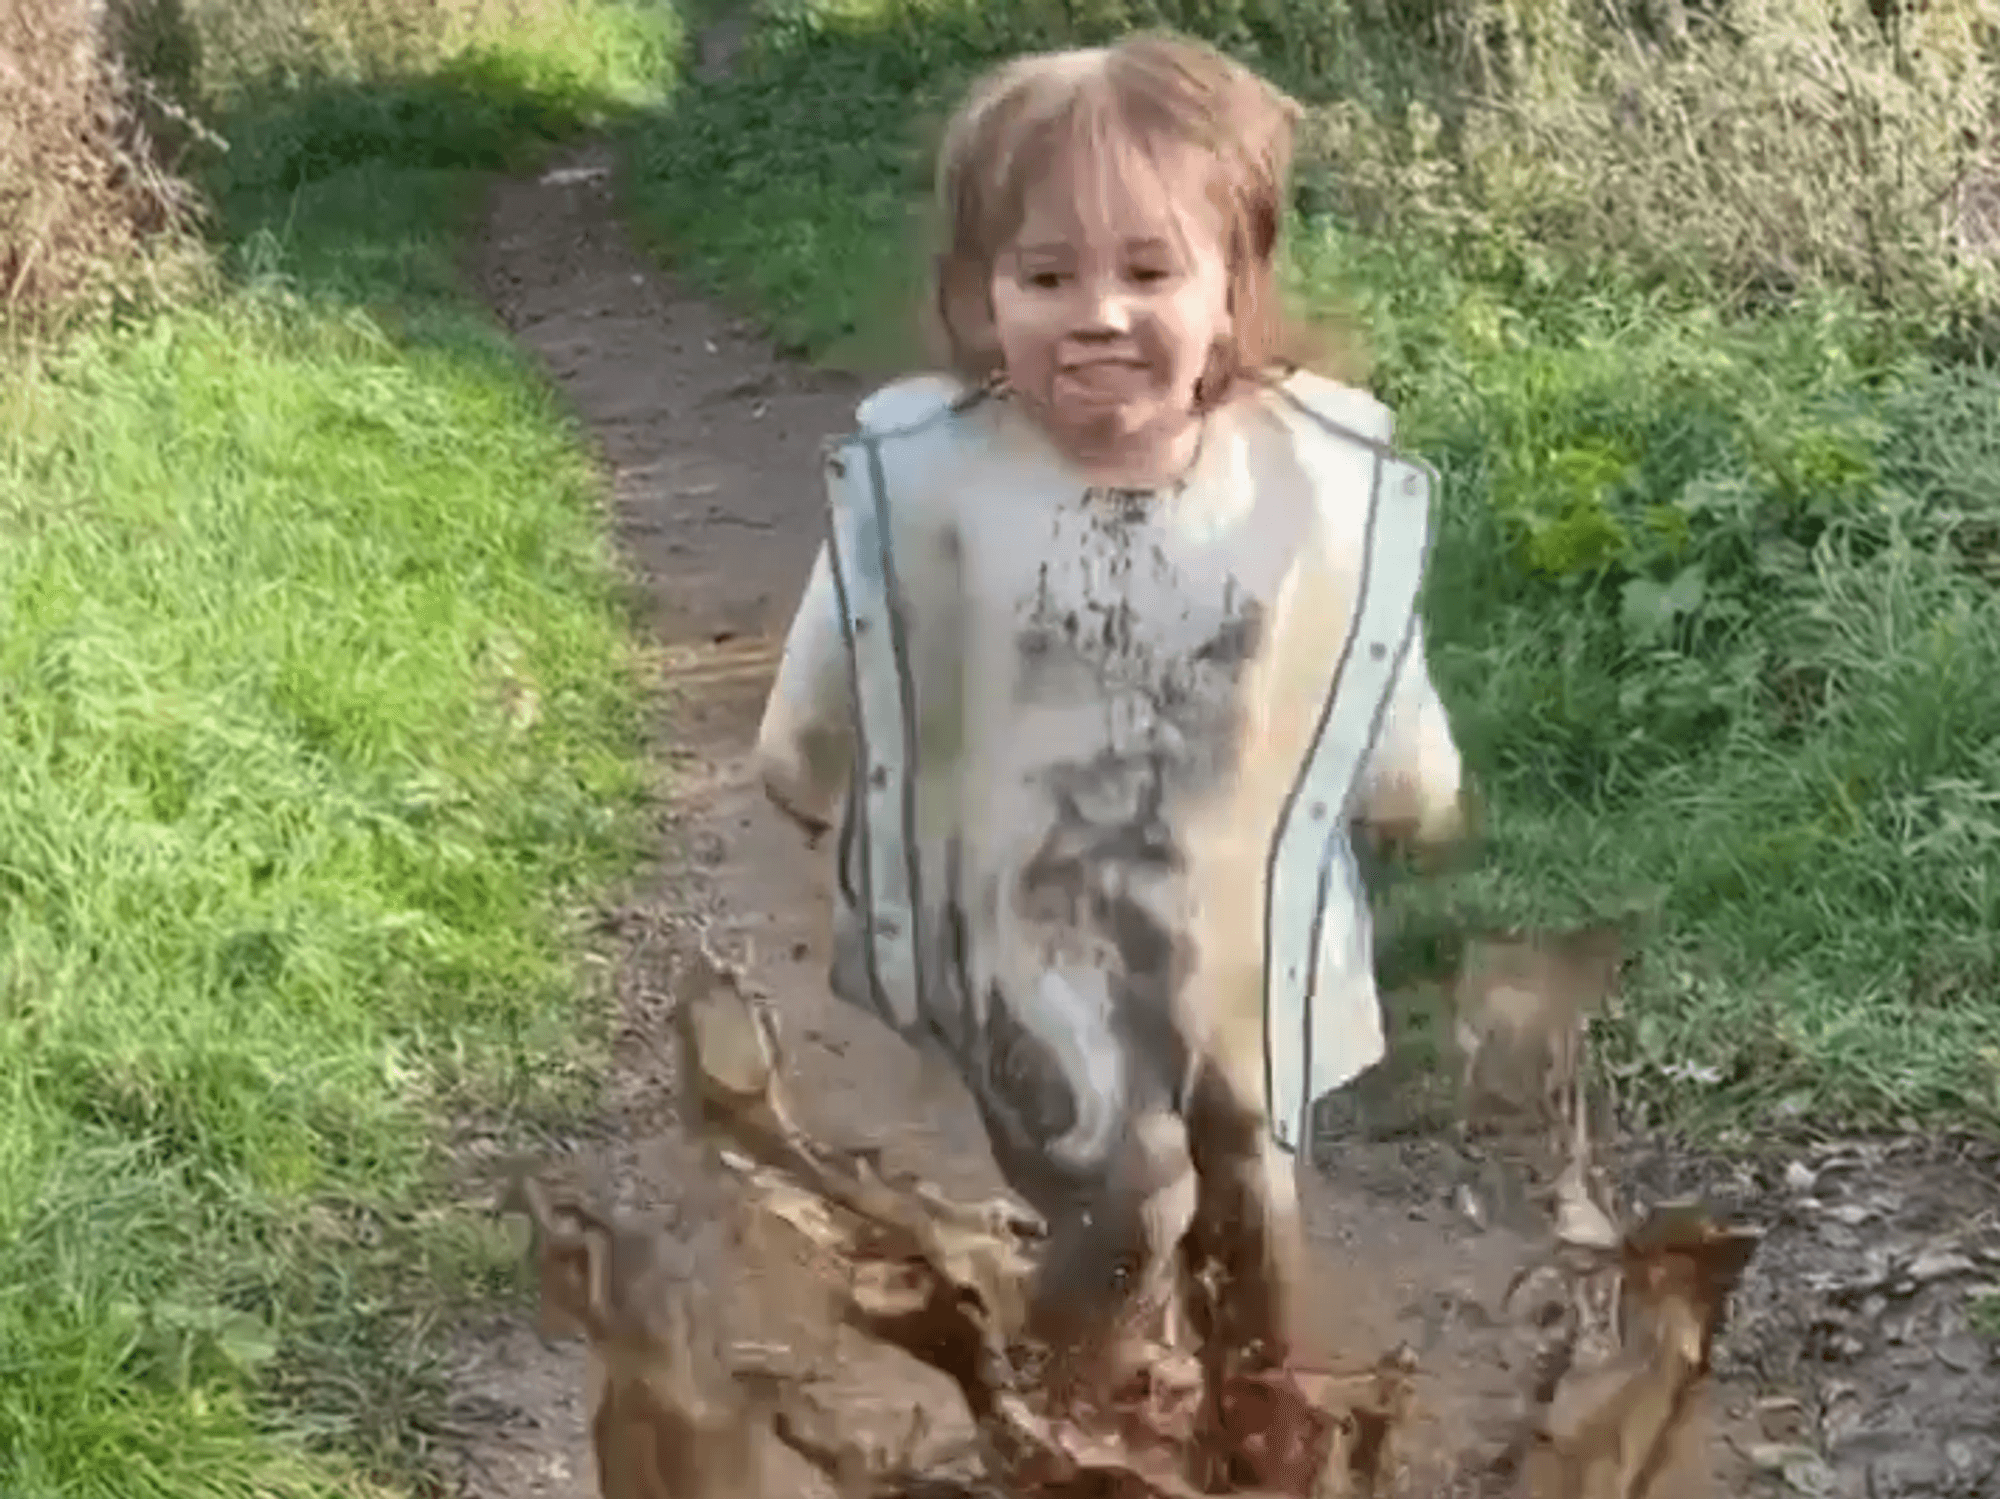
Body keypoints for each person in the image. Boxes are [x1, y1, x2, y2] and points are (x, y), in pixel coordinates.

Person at [752, 27, 1467, 1457]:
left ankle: (1259, 1405)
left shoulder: (1300, 481)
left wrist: (1411, 776)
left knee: (1252, 1165)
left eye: (1150, 272)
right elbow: (846, 661)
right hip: (1023, 925)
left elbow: (1351, 653)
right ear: (979, 294)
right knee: (1126, 1185)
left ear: (1230, 290)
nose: (1098, 313)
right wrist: (808, 768)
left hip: (1236, 922)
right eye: (1046, 275)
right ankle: (1068, 1417)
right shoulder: (934, 487)